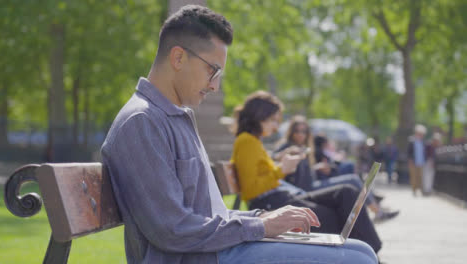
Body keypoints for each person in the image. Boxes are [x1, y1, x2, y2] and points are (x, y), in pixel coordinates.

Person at [101, 5, 378, 264]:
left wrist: (263, 218)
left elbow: (209, 215)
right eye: (213, 70)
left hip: (217, 249)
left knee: (362, 250)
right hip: (201, 257)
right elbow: (171, 229)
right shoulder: (142, 122)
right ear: (178, 57)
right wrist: (260, 226)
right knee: (358, 260)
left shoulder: (175, 117)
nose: (215, 86)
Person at [231, 91, 383, 255]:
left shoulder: (253, 141)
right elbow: (251, 190)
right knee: (333, 214)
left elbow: (258, 174)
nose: (275, 126)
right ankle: (368, 255)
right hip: (270, 203)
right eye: (273, 120)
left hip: (281, 197)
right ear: (259, 116)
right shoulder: (246, 141)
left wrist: (279, 163)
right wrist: (281, 170)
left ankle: (369, 253)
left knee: (346, 192)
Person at [275, 115, 399, 222]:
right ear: (291, 132)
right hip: (304, 189)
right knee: (352, 180)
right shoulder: (288, 146)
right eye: (297, 131)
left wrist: (318, 168)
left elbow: (307, 171)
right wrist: (286, 153)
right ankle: (378, 212)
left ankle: (374, 209)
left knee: (353, 178)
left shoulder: (306, 147)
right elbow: (274, 160)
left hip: (314, 183)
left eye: (304, 131)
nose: (301, 134)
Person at [407, 124, 427, 196]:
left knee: (420, 177)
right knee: (413, 177)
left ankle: (421, 190)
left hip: (421, 161)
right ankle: (414, 190)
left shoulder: (423, 142)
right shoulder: (412, 141)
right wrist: (410, 160)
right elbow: (409, 152)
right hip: (413, 162)